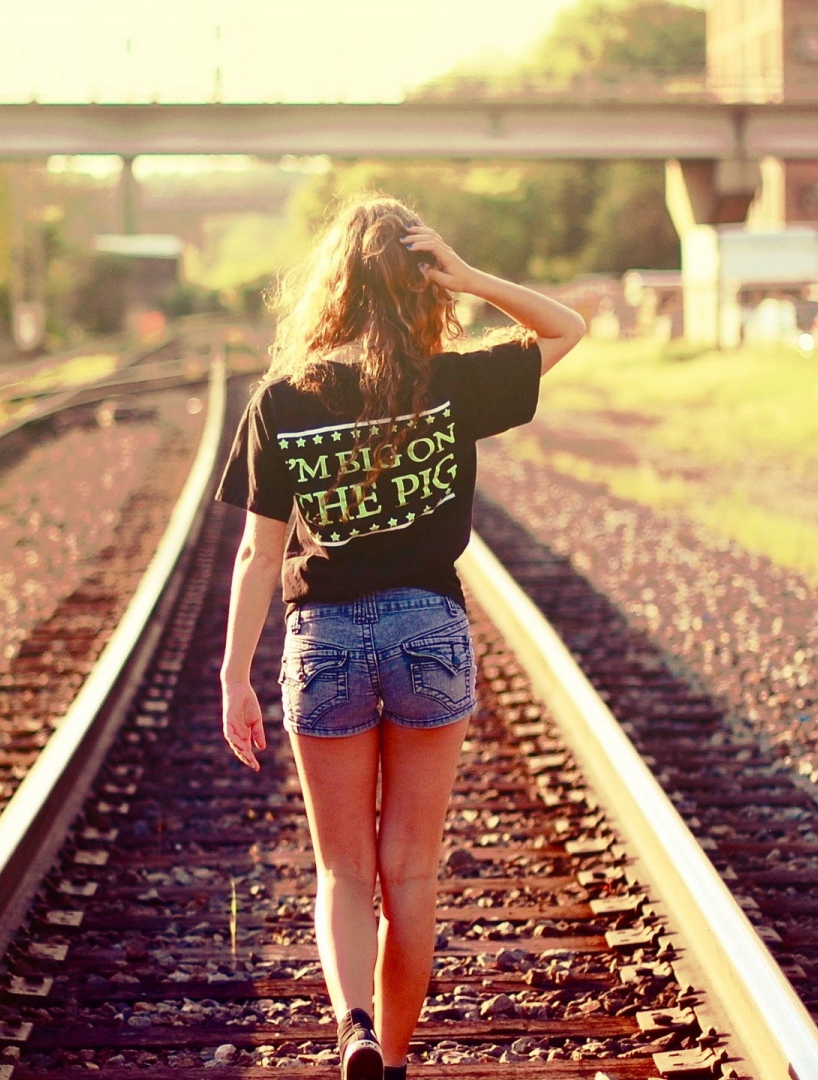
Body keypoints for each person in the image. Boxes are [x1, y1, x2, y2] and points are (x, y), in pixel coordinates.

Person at [215, 194, 585, 1079]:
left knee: (343, 872)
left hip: (326, 638)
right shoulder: (446, 380)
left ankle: (355, 1033)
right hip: (428, 628)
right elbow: (567, 328)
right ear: (418, 283)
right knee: (408, 872)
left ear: (332, 286)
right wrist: (469, 276)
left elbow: (258, 556)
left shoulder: (284, 396)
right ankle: (397, 1055)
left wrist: (237, 678)